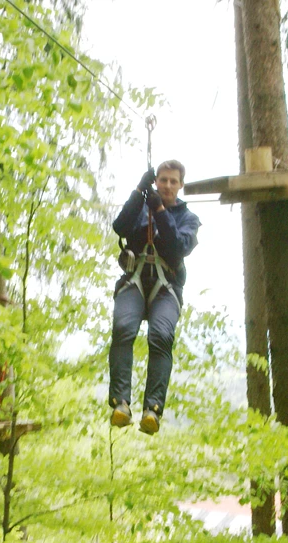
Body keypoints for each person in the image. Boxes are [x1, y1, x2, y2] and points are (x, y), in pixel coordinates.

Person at [108, 160, 201, 435]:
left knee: (160, 336)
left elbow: (176, 247)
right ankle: (120, 404)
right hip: (134, 280)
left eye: (173, 181)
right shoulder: (141, 208)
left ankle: (153, 409)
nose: (168, 186)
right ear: (156, 181)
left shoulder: (189, 219)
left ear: (180, 185)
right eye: (162, 180)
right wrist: (139, 190)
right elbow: (120, 226)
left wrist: (159, 209)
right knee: (123, 328)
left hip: (166, 287)